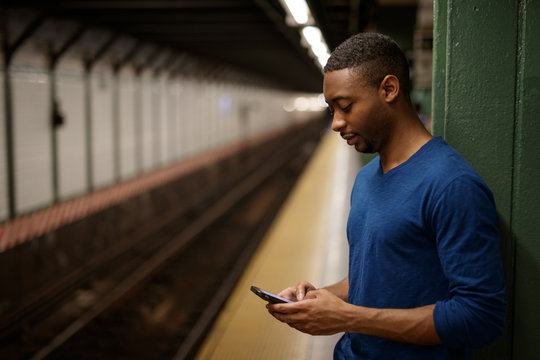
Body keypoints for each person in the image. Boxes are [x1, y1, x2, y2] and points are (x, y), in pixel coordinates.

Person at [267, 32, 506, 359]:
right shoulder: (366, 178)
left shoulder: (452, 184)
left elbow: (481, 317)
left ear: (389, 89)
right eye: (332, 109)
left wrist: (349, 318)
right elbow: (377, 276)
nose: (336, 123)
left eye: (346, 107)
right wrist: (320, 299)